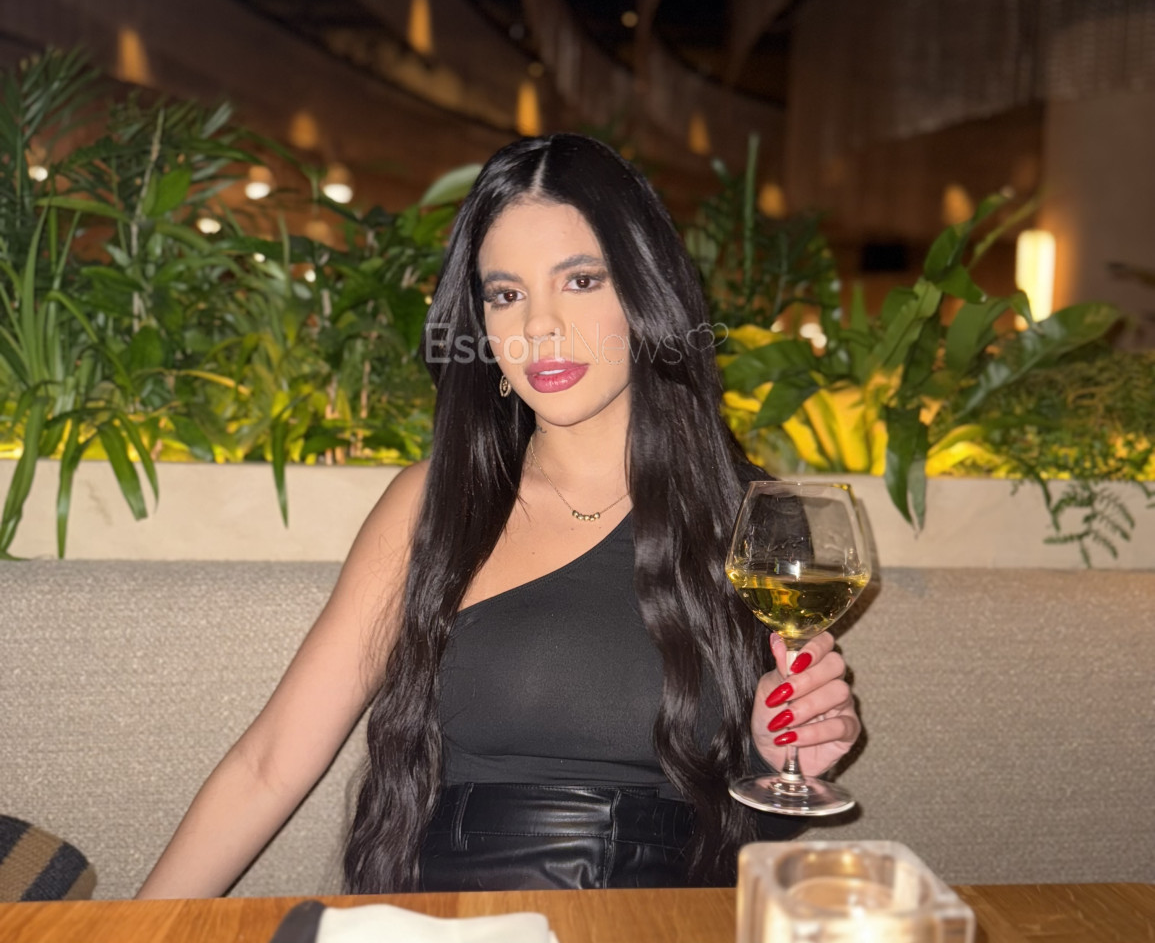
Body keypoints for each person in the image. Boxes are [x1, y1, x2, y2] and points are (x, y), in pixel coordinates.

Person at [137, 133, 860, 898]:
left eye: (580, 280)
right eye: (505, 294)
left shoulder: (753, 521)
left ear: (646, 292)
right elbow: (269, 763)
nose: (538, 326)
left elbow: (743, 835)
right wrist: (133, 931)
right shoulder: (437, 504)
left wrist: (777, 757)